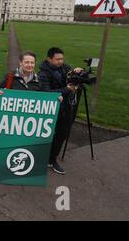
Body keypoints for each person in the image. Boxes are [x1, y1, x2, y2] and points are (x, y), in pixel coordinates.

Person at [39, 47, 82, 175]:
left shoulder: (65, 67)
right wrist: (67, 89)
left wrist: (78, 72)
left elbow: (72, 74)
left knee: (62, 133)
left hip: (66, 108)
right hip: (50, 109)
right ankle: (40, 156)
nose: (60, 62)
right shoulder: (43, 74)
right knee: (46, 134)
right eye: (57, 59)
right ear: (49, 59)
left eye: (62, 59)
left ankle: (52, 159)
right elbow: (46, 93)